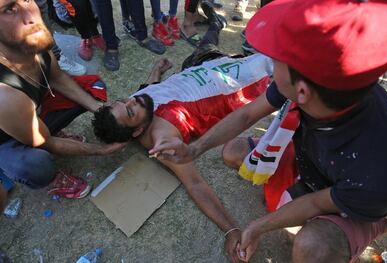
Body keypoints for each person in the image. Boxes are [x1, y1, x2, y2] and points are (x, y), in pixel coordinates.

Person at [150, 0, 387, 262]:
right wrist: (194, 149)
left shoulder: (381, 174)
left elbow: (316, 203)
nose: (270, 61)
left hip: (364, 204)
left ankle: (366, 227)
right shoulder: (322, 82)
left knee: (314, 248)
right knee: (234, 152)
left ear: (302, 92)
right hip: (318, 164)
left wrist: (257, 226)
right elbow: (247, 114)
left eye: (277, 59)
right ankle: (300, 184)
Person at [92, 3, 271, 262]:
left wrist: (156, 71)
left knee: (204, 49)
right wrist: (231, 229)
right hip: (238, 82)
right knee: (274, 59)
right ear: (138, 131)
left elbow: (145, 91)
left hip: (198, 69)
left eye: (124, 101)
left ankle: (215, 25)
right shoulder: (162, 138)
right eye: (130, 111)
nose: (133, 101)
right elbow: (195, 184)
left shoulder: (138, 105)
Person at [0, 0, 125, 199]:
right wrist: (101, 150)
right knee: (36, 165)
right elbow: (45, 141)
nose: (31, 15)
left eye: (26, 0)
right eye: (9, 9)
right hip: (5, 139)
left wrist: (101, 109)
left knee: (94, 89)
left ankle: (49, 127)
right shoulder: (4, 93)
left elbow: (57, 78)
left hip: (28, 111)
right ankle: (50, 179)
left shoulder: (34, 37)